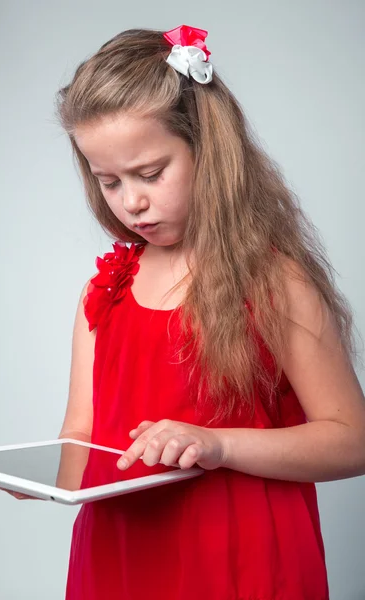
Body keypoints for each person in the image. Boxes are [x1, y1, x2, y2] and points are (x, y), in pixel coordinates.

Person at [53, 24, 365, 600]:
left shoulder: (273, 282)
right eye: (109, 181)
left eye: (150, 174)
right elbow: (82, 434)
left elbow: (352, 440)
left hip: (239, 559)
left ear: (209, 149)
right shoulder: (106, 290)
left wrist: (217, 444)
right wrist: (47, 482)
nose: (132, 201)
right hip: (120, 556)